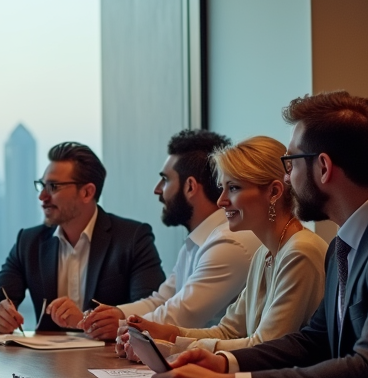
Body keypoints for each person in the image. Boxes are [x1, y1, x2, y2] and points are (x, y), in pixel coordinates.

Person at [151, 91, 368, 378]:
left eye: (291, 163)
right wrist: (225, 363)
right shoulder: (346, 241)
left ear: (323, 167)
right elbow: (314, 341)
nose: (286, 177)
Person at [125, 136, 327, 352]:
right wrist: (169, 335)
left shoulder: (299, 251)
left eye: (233, 188)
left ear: (274, 192)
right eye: (222, 188)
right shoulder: (264, 253)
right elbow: (228, 331)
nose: (221, 201)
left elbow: (265, 346)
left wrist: (174, 345)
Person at [79, 129, 260, 342]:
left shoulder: (229, 242)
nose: (157, 190)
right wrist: (116, 314)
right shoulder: (199, 240)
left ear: (190, 186)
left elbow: (181, 316)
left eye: (165, 180)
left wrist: (118, 326)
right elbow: (162, 300)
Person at [0, 142, 165, 334]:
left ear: (87, 192)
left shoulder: (132, 238)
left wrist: (84, 320)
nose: (42, 197)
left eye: (53, 187)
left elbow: (152, 314)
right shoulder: (29, 242)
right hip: (45, 365)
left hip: (112, 361)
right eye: (42, 185)